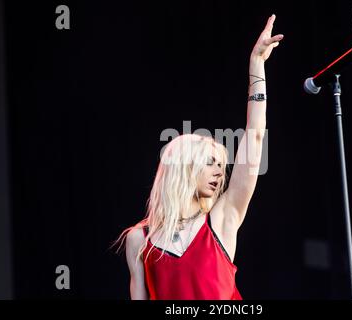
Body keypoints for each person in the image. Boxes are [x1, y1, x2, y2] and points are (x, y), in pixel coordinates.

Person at [116, 14, 284, 300]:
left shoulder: (222, 218)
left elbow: (255, 137)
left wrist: (257, 67)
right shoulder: (138, 241)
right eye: (210, 163)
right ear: (182, 168)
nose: (220, 172)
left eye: (221, 165)